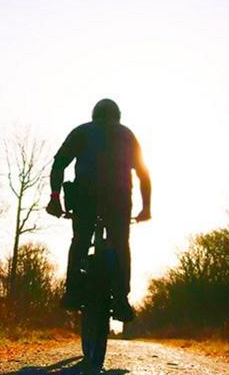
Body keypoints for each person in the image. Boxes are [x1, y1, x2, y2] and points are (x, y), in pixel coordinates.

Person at [46, 98, 151, 322]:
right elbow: (143, 174)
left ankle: (73, 292)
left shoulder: (81, 131)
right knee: (121, 244)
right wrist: (146, 208)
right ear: (118, 116)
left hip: (85, 197)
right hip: (119, 199)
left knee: (80, 240)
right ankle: (121, 299)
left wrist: (55, 198)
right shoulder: (126, 134)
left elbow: (59, 164)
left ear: (94, 114)